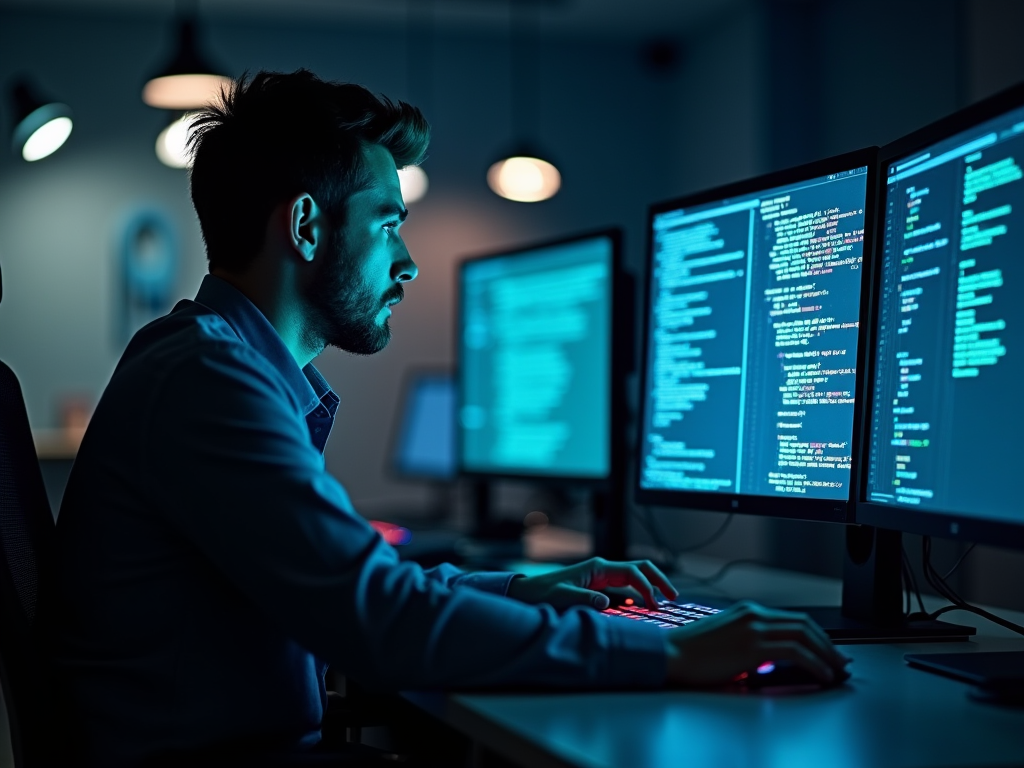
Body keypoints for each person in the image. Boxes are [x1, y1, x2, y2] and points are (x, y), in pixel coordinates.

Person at [41, 70, 849, 767]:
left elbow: (358, 584)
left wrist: (524, 589)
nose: (409, 261)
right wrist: (667, 647)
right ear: (306, 227)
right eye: (388, 222)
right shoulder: (209, 378)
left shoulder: (210, 363)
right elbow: (376, 618)